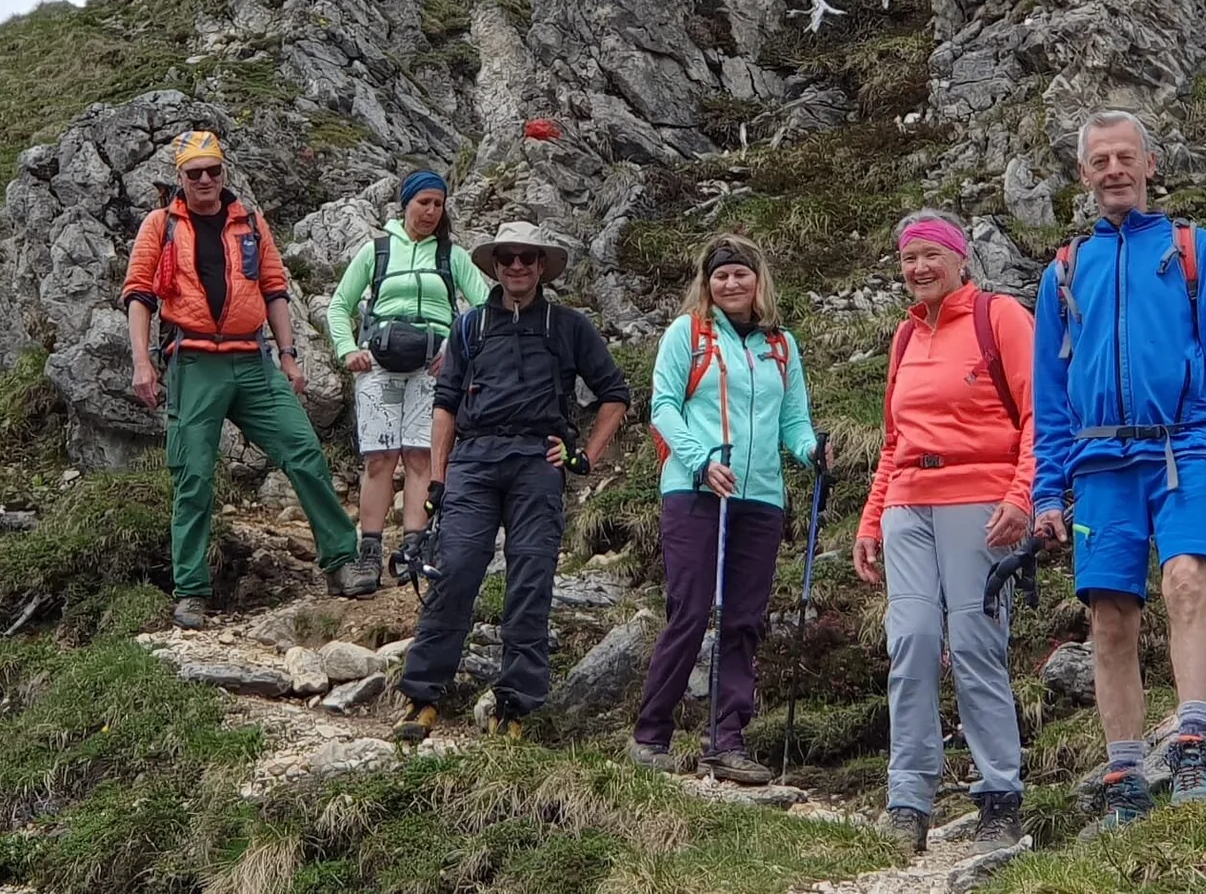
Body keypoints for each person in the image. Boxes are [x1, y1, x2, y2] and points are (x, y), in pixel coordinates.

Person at [1031, 110, 1206, 834]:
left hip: (1184, 447)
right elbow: (1048, 395)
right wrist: (1046, 490)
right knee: (1108, 618)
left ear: (1151, 164)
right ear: (1084, 174)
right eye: (1100, 161)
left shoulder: (1194, 249)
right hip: (1098, 462)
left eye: (1125, 157)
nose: (1114, 170)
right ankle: (1125, 770)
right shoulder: (1064, 270)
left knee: (1186, 577)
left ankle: (1192, 741)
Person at [124, 130, 376, 630]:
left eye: (212, 170)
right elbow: (139, 294)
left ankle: (342, 562)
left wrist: (288, 355)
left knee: (303, 451)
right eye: (194, 172)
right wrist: (141, 362)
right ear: (180, 177)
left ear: (224, 173)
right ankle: (192, 591)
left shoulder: (250, 223)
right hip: (194, 362)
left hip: (254, 361)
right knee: (193, 476)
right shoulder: (160, 225)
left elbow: (274, 287)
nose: (204, 180)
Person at [392, 222, 631, 741]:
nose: (517, 266)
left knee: (530, 578)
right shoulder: (470, 326)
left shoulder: (568, 326)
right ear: (494, 266)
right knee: (453, 571)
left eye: (527, 257)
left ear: (542, 265)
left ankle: (516, 706)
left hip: (537, 461)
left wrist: (582, 458)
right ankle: (422, 697)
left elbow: (615, 394)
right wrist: (438, 479)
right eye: (507, 258)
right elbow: (445, 405)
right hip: (474, 461)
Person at [852, 210, 1035, 856]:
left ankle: (998, 798)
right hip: (908, 505)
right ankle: (908, 802)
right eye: (909, 259)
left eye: (932, 255)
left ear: (961, 260)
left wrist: (1022, 495)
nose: (920, 268)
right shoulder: (904, 339)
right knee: (912, 642)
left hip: (981, 502)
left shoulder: (999, 317)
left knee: (977, 646)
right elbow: (894, 439)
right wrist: (872, 517)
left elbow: (1042, 412)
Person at [628, 234, 830, 786]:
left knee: (743, 619)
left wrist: (814, 451)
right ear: (707, 283)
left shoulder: (781, 345)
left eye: (741, 273)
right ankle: (653, 735)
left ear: (758, 280)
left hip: (760, 496)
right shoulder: (686, 334)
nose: (732, 283)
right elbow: (662, 406)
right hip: (695, 490)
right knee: (691, 609)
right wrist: (698, 461)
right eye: (721, 276)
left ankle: (727, 740)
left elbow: (793, 421)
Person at [325, 171, 490, 588]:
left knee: (420, 457)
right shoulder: (377, 250)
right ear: (406, 205)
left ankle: (415, 549)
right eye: (424, 203)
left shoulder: (452, 256)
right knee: (380, 459)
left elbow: (486, 307)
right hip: (378, 364)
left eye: (438, 204)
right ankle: (370, 554)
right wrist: (348, 350)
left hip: (432, 365)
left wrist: (457, 350)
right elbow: (339, 305)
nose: (431, 212)